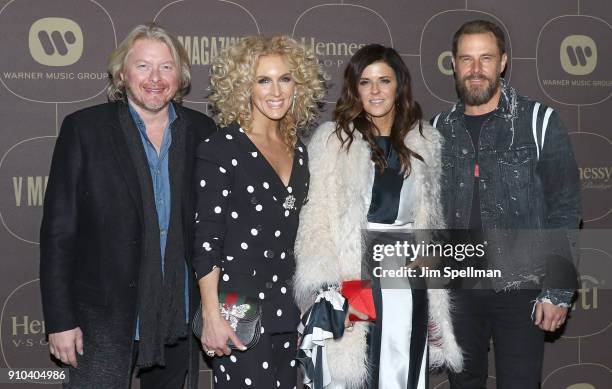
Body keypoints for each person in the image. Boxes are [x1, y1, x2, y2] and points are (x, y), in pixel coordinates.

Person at [39, 23, 216, 388]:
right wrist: (59, 319)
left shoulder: (202, 131)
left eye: (166, 66)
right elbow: (59, 233)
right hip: (102, 318)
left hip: (177, 315)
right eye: (143, 66)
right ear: (122, 73)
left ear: (180, 75)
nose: (155, 78)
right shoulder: (85, 130)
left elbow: (210, 227)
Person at [293, 44, 463, 389]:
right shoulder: (332, 141)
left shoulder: (426, 141)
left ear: (398, 85)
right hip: (353, 279)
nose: (375, 91)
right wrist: (335, 291)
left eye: (383, 80)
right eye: (365, 81)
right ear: (354, 88)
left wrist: (431, 252)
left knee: (401, 371)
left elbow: (431, 219)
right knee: (353, 372)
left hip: (407, 284)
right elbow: (315, 223)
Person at [431, 20, 581, 388]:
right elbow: (429, 217)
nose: (476, 69)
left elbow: (565, 209)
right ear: (454, 64)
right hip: (458, 291)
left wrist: (557, 291)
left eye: (485, 58)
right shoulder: (435, 131)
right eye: (467, 59)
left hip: (523, 289)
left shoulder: (538, 122)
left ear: (502, 62)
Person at [193, 35, 324, 388]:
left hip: (288, 308)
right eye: (262, 80)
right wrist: (211, 314)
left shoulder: (299, 152)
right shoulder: (220, 148)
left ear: (299, 85)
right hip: (239, 310)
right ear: (243, 87)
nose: (276, 90)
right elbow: (206, 240)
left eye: (285, 78)